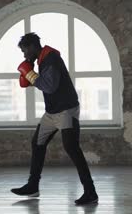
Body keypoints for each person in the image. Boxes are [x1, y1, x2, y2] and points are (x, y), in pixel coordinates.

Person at [11, 32, 99, 205]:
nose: (24, 55)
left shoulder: (51, 60)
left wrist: (29, 74)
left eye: (24, 51)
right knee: (37, 143)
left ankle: (91, 192)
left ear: (32, 47)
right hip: (51, 112)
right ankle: (32, 186)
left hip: (66, 110)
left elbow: (49, 87)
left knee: (72, 148)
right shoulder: (42, 60)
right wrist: (30, 68)